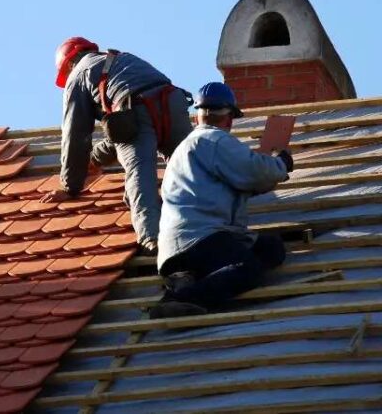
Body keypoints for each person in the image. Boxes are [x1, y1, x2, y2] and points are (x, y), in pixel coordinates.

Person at [150, 82, 294, 319]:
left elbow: (242, 182)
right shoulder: (213, 140)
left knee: (270, 248)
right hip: (200, 237)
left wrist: (267, 176)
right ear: (229, 119)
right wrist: (281, 164)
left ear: (197, 117)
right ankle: (179, 300)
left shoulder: (189, 148)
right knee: (247, 269)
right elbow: (252, 169)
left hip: (182, 244)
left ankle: (190, 280)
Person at [40, 37, 193, 254]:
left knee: (140, 176)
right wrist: (94, 160)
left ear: (68, 65)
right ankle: (205, 218)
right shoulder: (122, 58)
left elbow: (75, 133)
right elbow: (122, 130)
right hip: (173, 102)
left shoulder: (78, 75)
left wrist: (71, 185)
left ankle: (153, 240)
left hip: (135, 110)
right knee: (189, 165)